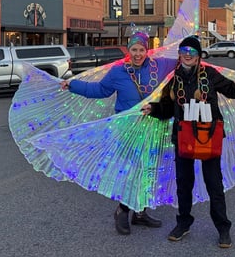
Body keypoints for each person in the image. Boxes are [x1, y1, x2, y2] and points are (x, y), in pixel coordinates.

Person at [141, 35, 235, 249]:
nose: (187, 55)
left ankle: (223, 227)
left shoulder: (209, 75)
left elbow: (234, 91)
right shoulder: (173, 79)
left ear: (199, 55)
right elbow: (167, 109)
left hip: (208, 136)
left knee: (214, 183)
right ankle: (183, 223)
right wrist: (153, 109)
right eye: (183, 51)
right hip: (183, 137)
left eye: (191, 52)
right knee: (183, 183)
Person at [61, 31, 177, 235]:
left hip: (153, 126)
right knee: (130, 170)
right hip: (127, 128)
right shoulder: (118, 72)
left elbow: (184, 60)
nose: (138, 54)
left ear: (147, 50)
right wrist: (73, 84)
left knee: (148, 169)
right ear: (128, 50)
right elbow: (99, 90)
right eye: (134, 49)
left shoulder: (160, 65)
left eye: (141, 50)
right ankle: (122, 210)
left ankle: (140, 212)